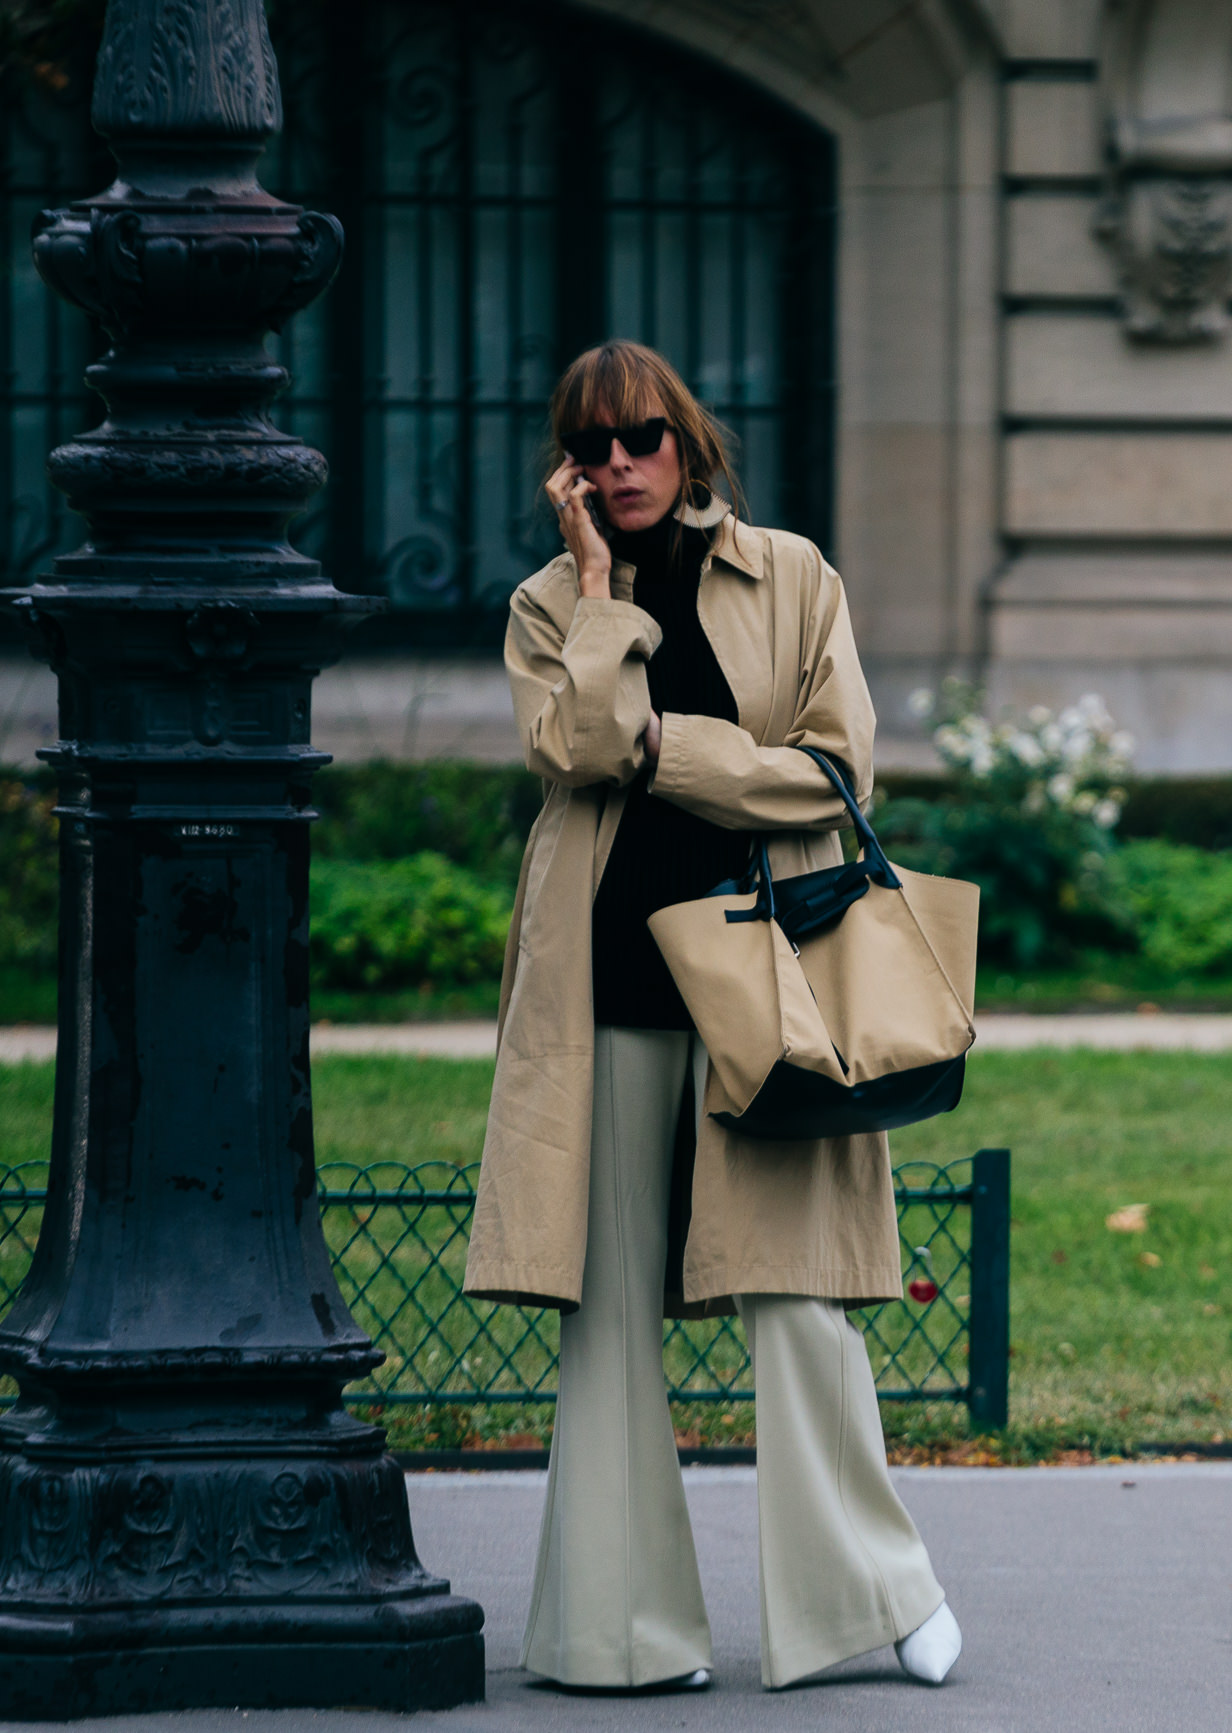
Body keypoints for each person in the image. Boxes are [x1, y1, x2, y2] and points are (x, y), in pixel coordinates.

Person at [460, 339, 962, 1693]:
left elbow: (830, 771)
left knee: (799, 1298)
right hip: (609, 982)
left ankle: (875, 1593)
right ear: (567, 469)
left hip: (770, 979)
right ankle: (619, 1634)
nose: (619, 464)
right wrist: (605, 597)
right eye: (591, 446)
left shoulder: (791, 574)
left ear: (688, 443)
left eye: (641, 439)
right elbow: (575, 743)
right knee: (608, 1316)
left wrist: (673, 751)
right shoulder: (546, 605)